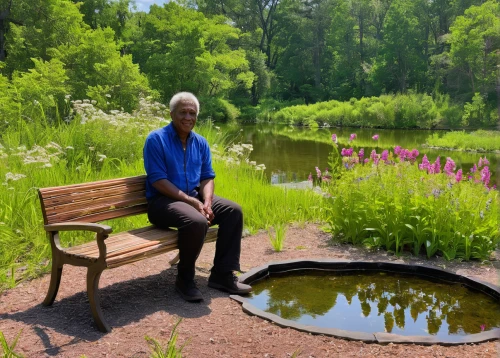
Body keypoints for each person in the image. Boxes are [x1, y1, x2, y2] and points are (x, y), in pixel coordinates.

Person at [143, 92, 252, 302]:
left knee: (233, 211)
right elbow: (158, 180)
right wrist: (193, 202)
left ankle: (222, 274)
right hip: (162, 203)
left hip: (192, 198)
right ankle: (184, 279)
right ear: (172, 114)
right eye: (182, 112)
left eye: (192, 113)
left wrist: (207, 202)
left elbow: (207, 177)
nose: (188, 117)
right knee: (196, 220)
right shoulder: (156, 140)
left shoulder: (200, 143)